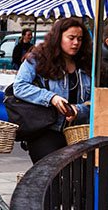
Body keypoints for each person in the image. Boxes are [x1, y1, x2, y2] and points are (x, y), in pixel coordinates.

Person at [13, 18, 91, 163]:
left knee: (78, 178)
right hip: (46, 129)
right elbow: (19, 86)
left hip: (78, 132)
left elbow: (96, 99)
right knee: (52, 175)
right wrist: (51, 98)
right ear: (58, 37)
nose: (76, 43)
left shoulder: (87, 63)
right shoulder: (37, 58)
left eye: (79, 39)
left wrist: (78, 110)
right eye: (71, 38)